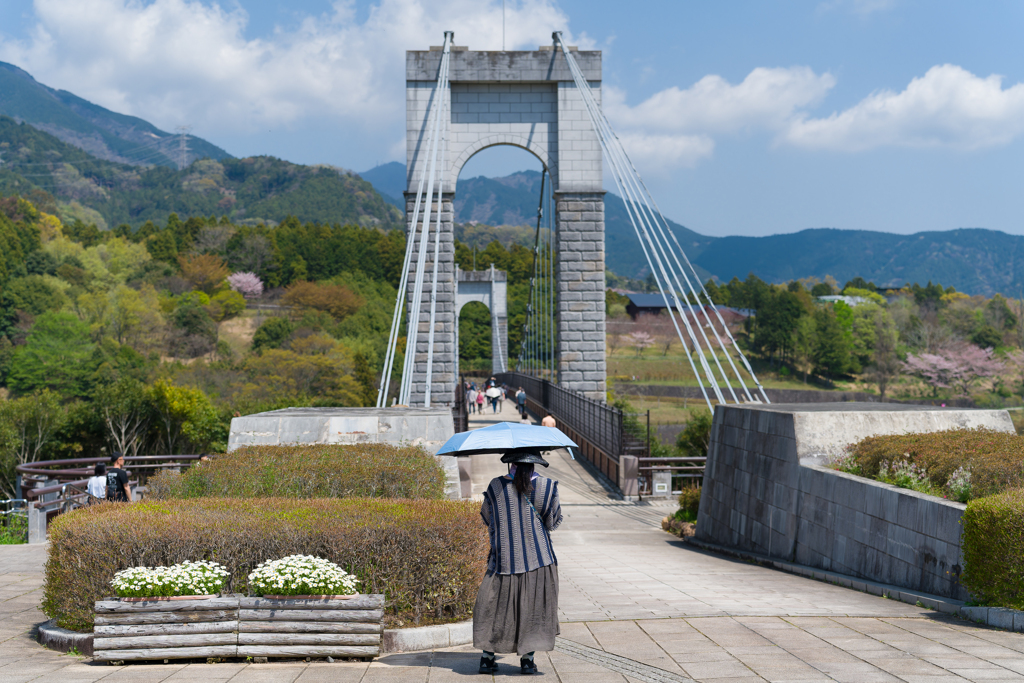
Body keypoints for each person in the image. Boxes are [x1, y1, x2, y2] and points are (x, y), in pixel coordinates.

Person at [475, 448, 562, 675]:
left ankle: (487, 658)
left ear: (510, 462)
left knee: (494, 608)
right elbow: (552, 521)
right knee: (533, 609)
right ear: (535, 463)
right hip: (539, 559)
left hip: (502, 559)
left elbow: (486, 515)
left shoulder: (495, 486)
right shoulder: (548, 486)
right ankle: (527, 661)